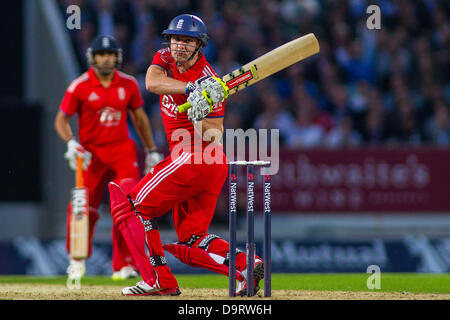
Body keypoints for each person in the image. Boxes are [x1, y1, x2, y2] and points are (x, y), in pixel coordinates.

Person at [107, 14, 264, 296]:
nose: (179, 45)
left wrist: (199, 117)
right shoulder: (166, 58)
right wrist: (190, 91)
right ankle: (246, 264)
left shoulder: (212, 81)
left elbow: (215, 134)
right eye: (176, 39)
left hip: (195, 157)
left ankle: (159, 280)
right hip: (204, 164)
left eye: (187, 41)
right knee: (192, 241)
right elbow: (152, 82)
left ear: (199, 45)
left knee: (131, 207)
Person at [54, 35, 163, 281]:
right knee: (84, 206)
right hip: (91, 153)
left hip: (121, 150)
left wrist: (151, 149)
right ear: (92, 58)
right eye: (101, 54)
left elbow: (140, 118)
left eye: (110, 54)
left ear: (117, 57)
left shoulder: (129, 84)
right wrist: (70, 142)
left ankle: (123, 264)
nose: (106, 59)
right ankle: (76, 260)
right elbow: (61, 119)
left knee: (127, 204)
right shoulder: (79, 85)